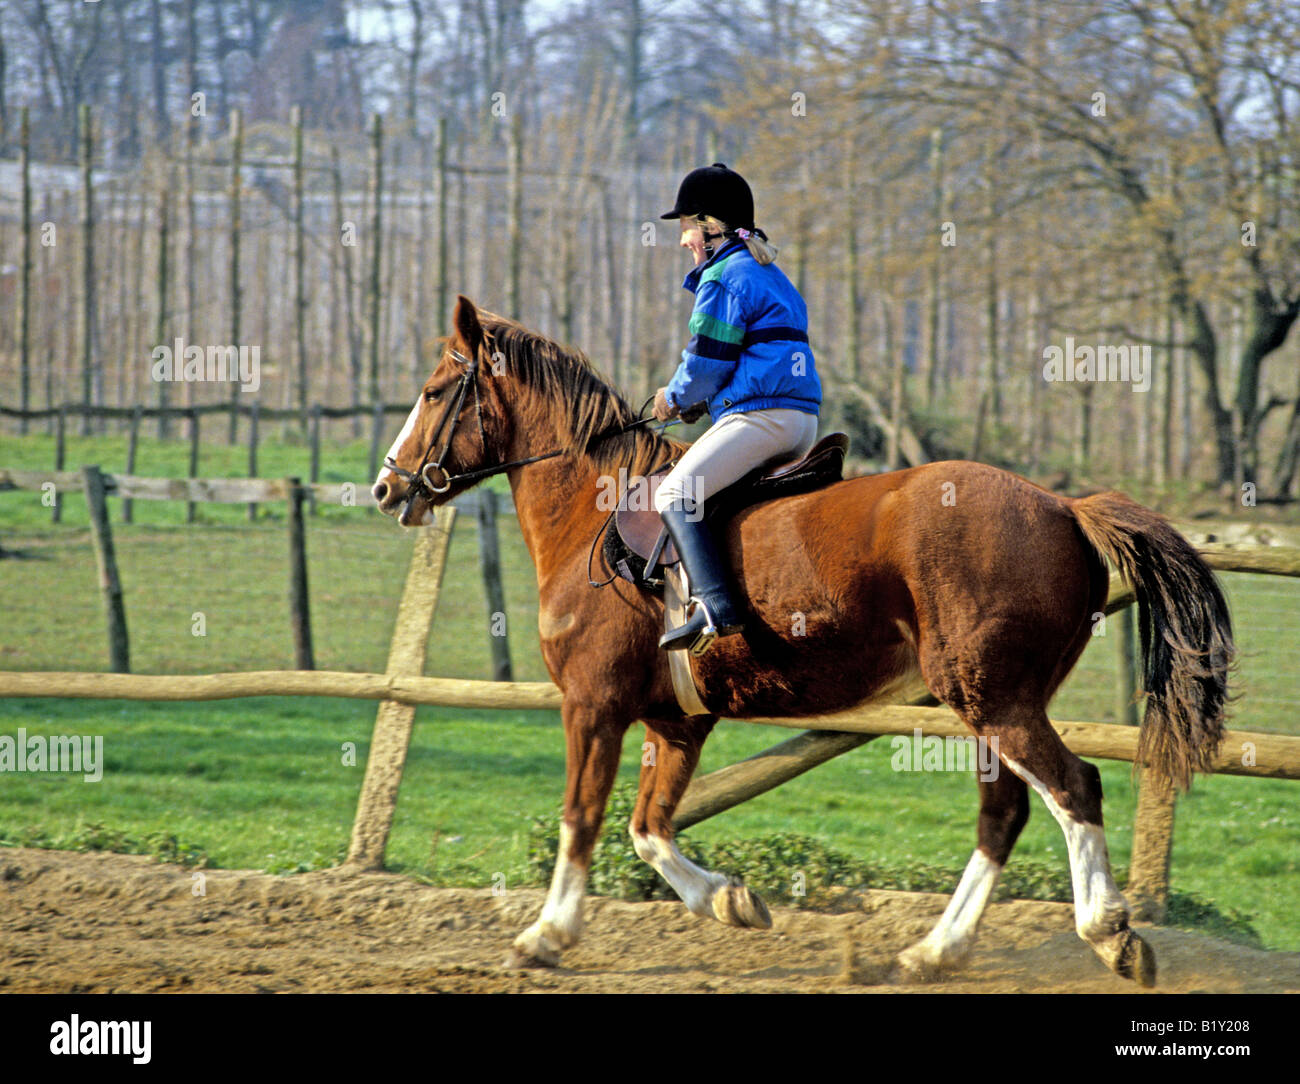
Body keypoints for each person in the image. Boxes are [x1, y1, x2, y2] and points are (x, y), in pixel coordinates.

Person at [652, 162, 822, 654]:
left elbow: (706, 362)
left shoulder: (724, 276)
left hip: (761, 420)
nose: (683, 240)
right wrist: (703, 403)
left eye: (687, 227)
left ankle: (713, 605)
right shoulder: (771, 273)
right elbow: (753, 356)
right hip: (800, 421)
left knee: (674, 495)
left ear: (710, 227)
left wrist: (673, 399)